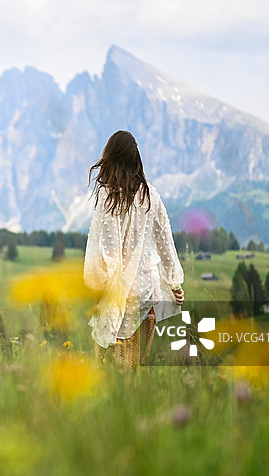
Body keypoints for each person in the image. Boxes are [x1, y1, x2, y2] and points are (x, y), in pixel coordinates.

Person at [83, 130, 185, 369]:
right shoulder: (152, 197)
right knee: (139, 367)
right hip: (149, 295)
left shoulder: (110, 197)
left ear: (111, 158)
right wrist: (174, 284)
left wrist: (98, 293)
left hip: (121, 297)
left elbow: (109, 256)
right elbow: (165, 244)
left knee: (113, 371)